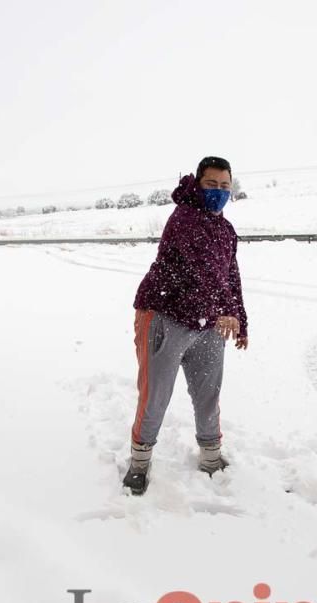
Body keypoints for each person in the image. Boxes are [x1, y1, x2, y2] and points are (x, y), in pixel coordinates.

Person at [124, 156, 249, 495]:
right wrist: (221, 309)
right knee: (156, 396)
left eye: (225, 186)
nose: (219, 192)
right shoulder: (185, 219)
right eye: (212, 184)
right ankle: (139, 463)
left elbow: (229, 276)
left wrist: (239, 318)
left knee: (208, 393)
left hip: (208, 322)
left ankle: (211, 458)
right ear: (197, 182)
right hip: (165, 315)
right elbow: (200, 271)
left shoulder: (225, 229)